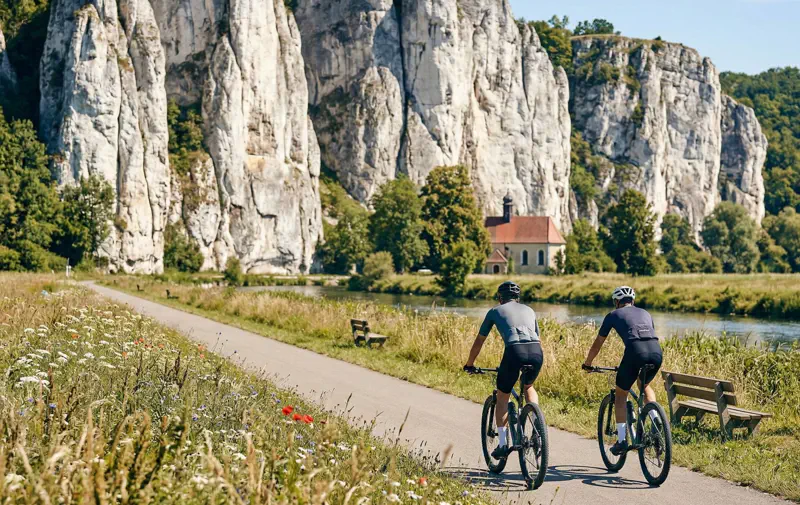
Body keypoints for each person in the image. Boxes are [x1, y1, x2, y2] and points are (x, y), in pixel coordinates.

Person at [463, 281, 544, 459]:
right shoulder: (529, 310)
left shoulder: (494, 311)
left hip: (514, 351)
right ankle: (537, 425)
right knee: (528, 386)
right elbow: (537, 338)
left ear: (500, 298)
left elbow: (480, 340)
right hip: (536, 352)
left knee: (502, 396)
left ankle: (502, 445)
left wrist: (470, 363)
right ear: (517, 297)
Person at [582, 286, 663, 456]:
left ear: (617, 302)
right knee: (644, 384)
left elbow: (598, 343)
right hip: (656, 352)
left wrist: (588, 363)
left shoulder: (613, 315)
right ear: (632, 301)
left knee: (620, 394)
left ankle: (621, 441)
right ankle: (656, 418)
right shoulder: (646, 313)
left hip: (635, 352)